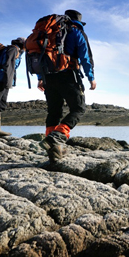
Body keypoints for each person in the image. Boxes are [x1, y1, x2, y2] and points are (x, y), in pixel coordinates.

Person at [37, 9, 96, 162]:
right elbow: (85, 57)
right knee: (78, 108)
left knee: (54, 112)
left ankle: (54, 151)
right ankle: (57, 137)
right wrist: (91, 78)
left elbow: (40, 55)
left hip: (48, 77)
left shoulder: (49, 32)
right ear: (78, 21)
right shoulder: (77, 32)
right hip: (68, 75)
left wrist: (40, 78)